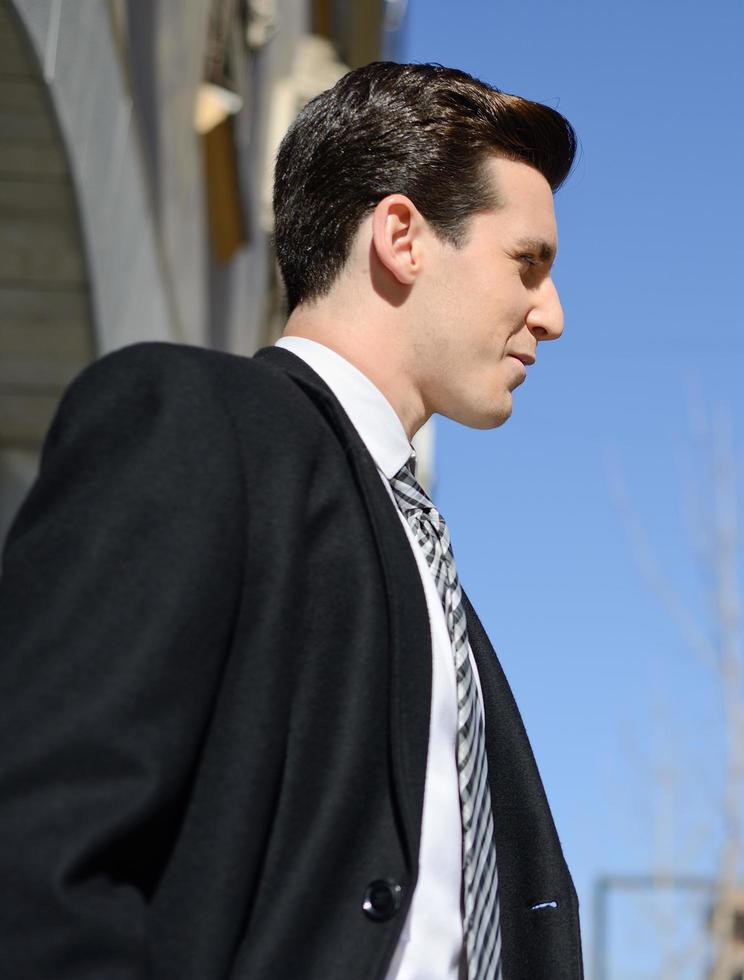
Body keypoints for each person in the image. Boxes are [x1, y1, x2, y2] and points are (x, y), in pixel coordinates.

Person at [0, 63, 581, 979]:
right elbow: (38, 845)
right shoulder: (192, 427)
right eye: (528, 264)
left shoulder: (433, 579)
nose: (551, 315)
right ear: (402, 237)